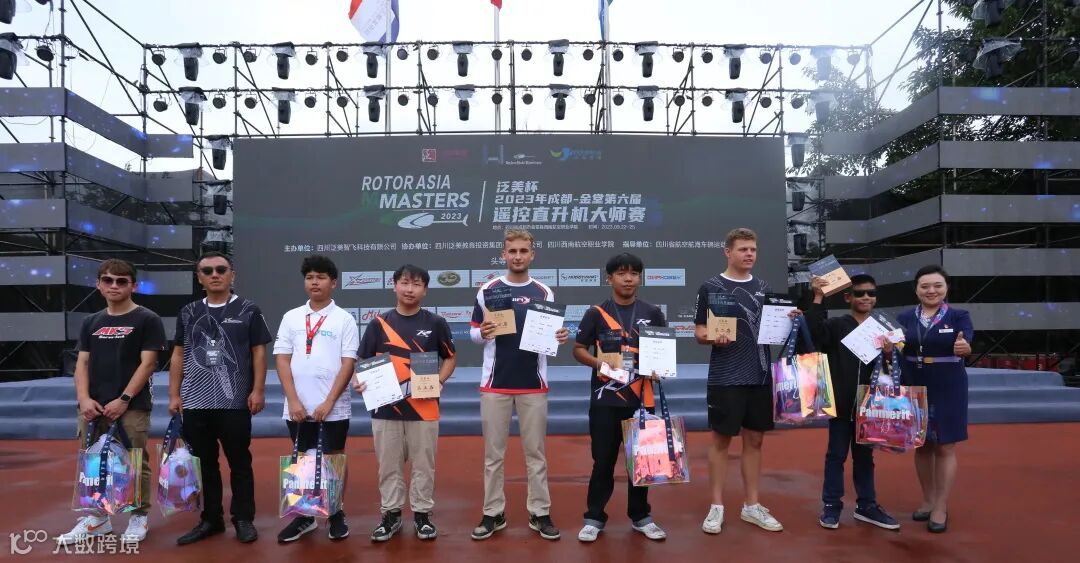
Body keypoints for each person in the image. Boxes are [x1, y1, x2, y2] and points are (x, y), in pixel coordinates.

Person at [469, 229, 570, 541]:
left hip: (533, 384)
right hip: (495, 384)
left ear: (532, 254)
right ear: (503, 254)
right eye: (512, 251)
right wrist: (483, 332)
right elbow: (473, 333)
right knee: (493, 456)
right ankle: (493, 513)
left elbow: (550, 334)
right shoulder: (488, 290)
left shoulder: (544, 292)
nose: (517, 256)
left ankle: (540, 512)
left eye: (523, 251)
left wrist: (559, 336)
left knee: (536, 454)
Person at [59, 259, 166, 545]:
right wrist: (84, 399)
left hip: (132, 406)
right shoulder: (91, 322)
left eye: (121, 281)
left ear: (134, 285)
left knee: (134, 462)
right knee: (92, 462)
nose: (114, 285)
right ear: (99, 284)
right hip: (93, 406)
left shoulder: (147, 319)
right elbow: (82, 363)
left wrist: (124, 399)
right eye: (108, 280)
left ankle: (138, 516)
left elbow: (148, 364)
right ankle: (98, 518)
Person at [169, 251, 272, 545]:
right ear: (199, 278)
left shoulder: (248, 309)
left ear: (232, 275)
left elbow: (258, 352)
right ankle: (211, 519)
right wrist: (174, 394)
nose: (215, 275)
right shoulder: (188, 312)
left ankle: (243, 518)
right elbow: (178, 353)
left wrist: (258, 389)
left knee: (240, 462)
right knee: (204, 464)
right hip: (195, 401)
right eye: (207, 271)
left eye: (221, 269)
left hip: (235, 401)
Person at [354, 264, 457, 542]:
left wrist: (439, 380)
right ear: (394, 285)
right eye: (404, 283)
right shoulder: (378, 324)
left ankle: (422, 515)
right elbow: (363, 361)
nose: (409, 289)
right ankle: (391, 515)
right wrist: (359, 380)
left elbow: (450, 357)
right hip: (385, 409)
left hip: (424, 408)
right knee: (388, 466)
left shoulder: (435, 323)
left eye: (416, 284)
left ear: (425, 290)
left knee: (424, 465)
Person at [571, 253, 667, 542]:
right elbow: (578, 349)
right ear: (609, 278)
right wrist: (599, 364)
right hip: (605, 402)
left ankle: (640, 516)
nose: (628, 279)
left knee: (641, 460)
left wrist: (660, 368)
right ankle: (594, 517)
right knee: (603, 461)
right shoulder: (596, 313)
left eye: (634, 273)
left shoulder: (653, 312)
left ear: (640, 278)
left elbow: (661, 353)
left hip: (641, 400)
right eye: (622, 273)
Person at [694, 227, 783, 534]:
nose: (749, 254)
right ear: (728, 252)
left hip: (760, 375)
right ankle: (716, 506)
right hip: (726, 376)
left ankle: (752, 506)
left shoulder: (763, 287)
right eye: (743, 249)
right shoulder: (711, 287)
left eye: (753, 249)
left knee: (755, 441)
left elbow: (773, 329)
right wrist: (712, 337)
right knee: (721, 440)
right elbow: (699, 332)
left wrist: (789, 320)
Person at [802, 274, 900, 530]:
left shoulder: (885, 329)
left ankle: (867, 505)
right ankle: (831, 506)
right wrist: (818, 297)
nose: (866, 297)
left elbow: (895, 367)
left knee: (865, 457)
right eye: (859, 293)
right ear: (848, 297)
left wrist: (890, 352)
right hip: (842, 405)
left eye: (871, 293)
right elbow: (813, 334)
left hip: (871, 406)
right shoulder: (836, 325)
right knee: (836, 456)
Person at [274, 255, 359, 543]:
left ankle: (335, 512)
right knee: (302, 460)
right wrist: (293, 400)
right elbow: (282, 360)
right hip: (297, 405)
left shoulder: (344, 319)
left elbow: (348, 363)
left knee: (334, 460)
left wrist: (329, 402)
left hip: (333, 407)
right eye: (310, 277)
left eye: (321, 277)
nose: (314, 282)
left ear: (333, 283)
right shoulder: (291, 317)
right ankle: (305, 516)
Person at [896, 265, 972, 534]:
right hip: (914, 384)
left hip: (948, 385)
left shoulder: (959, 316)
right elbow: (895, 348)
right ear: (916, 289)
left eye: (938, 285)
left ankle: (941, 505)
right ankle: (927, 500)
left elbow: (966, 344)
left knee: (945, 446)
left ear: (946, 287)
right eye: (925, 286)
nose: (931, 291)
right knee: (922, 445)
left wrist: (964, 347)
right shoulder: (904, 317)